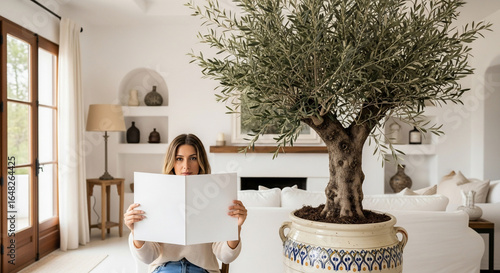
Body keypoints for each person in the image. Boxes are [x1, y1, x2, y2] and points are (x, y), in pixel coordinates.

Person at [124, 134, 247, 273]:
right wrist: (136, 231)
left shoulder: (216, 197)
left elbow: (226, 257)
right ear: (172, 162)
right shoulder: (156, 195)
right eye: (179, 159)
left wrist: (235, 228)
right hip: (165, 269)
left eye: (193, 158)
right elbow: (147, 257)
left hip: (202, 270)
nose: (186, 166)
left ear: (201, 162)